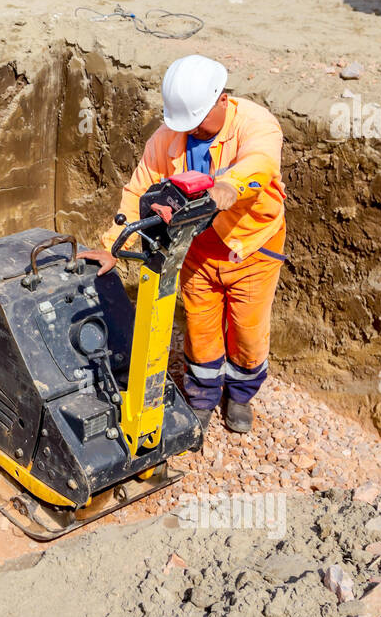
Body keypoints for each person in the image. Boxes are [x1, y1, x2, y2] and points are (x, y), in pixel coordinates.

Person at [77, 55, 287, 434]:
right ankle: (203, 396)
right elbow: (138, 189)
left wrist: (230, 186)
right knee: (201, 327)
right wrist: (112, 245)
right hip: (194, 248)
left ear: (222, 99)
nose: (194, 131)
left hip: (250, 246)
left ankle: (240, 394)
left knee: (248, 330)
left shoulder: (256, 125)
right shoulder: (168, 138)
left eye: (199, 121)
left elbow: (260, 163)